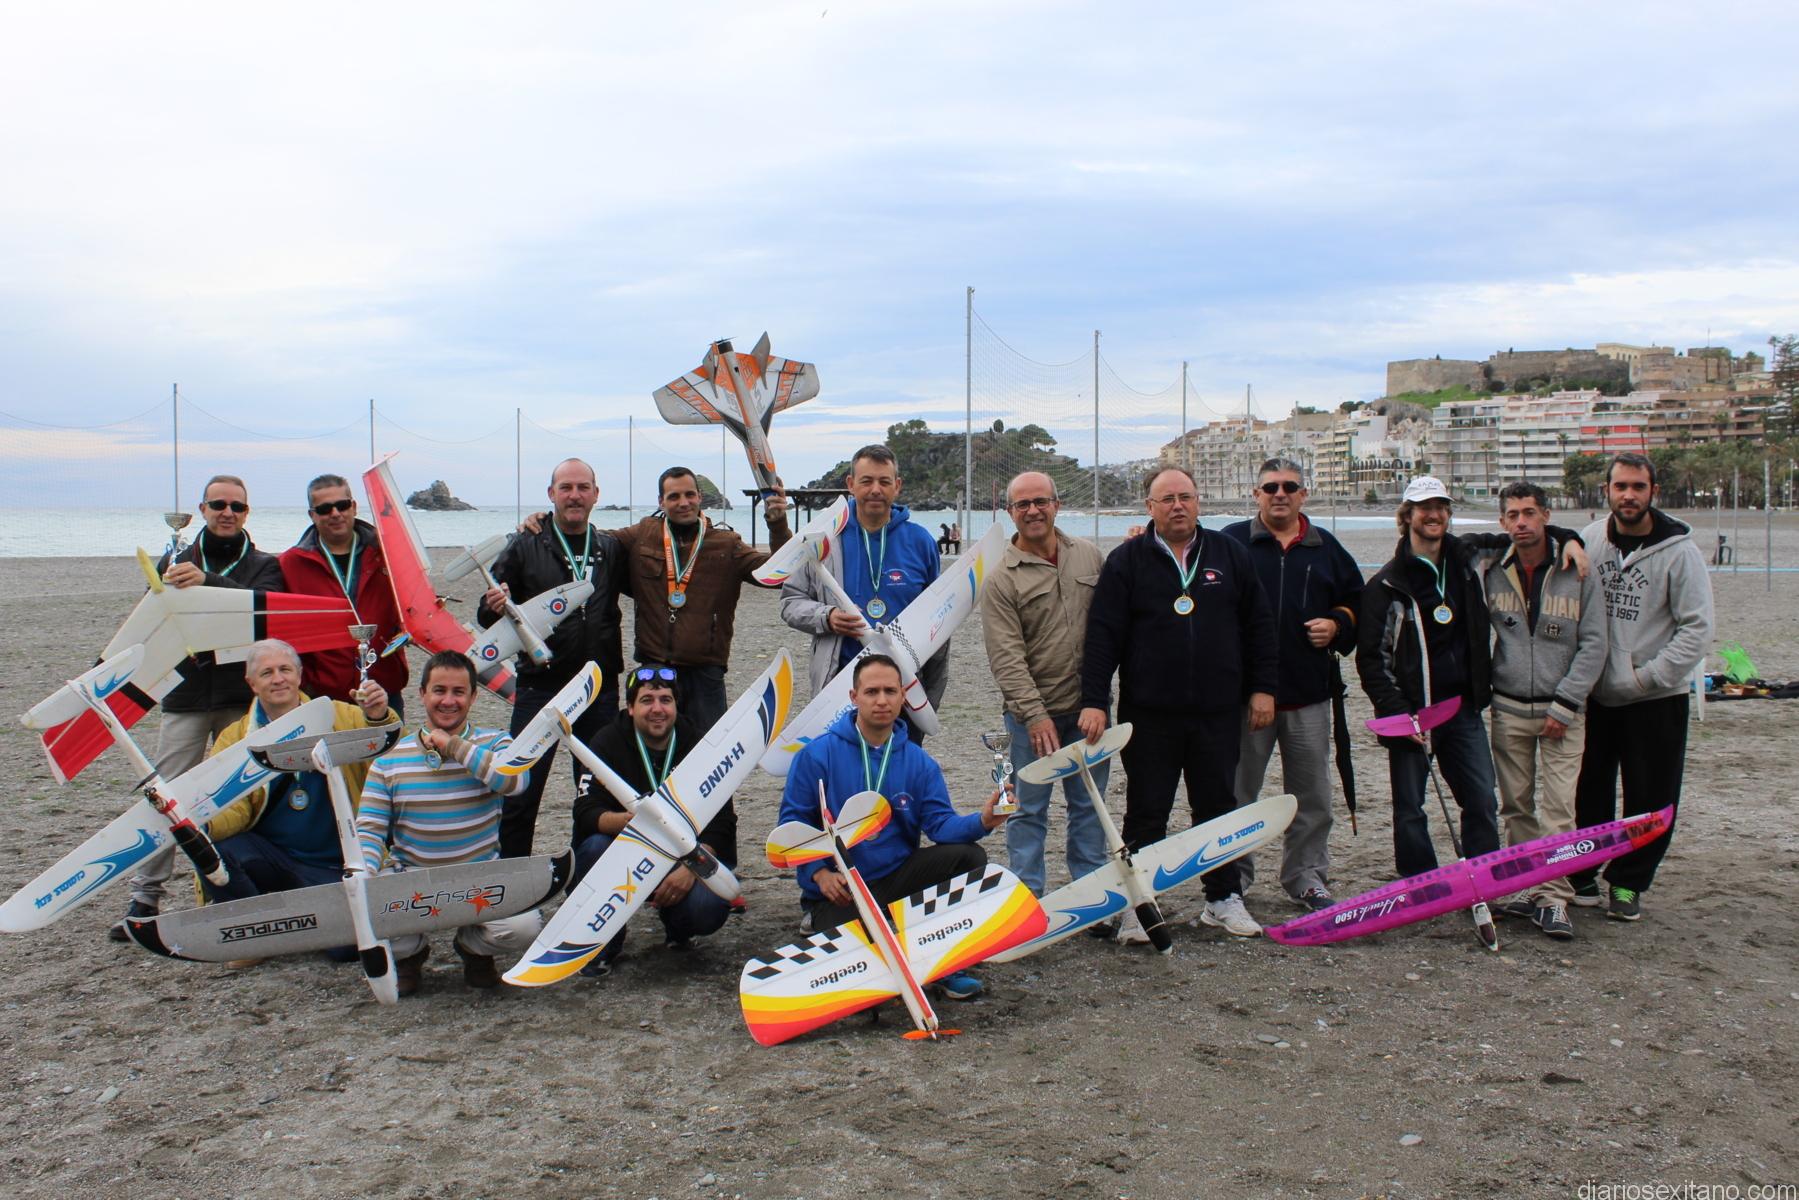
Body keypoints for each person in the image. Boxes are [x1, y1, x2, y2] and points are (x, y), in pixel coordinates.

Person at [1079, 466, 1277, 940]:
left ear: (1198, 501)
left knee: (1217, 807)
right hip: (1150, 713)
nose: (1177, 506)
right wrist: (1095, 700)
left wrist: (1263, 688)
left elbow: (1259, 626)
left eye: (1185, 497)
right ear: (1150, 507)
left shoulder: (1229, 554)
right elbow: (1103, 636)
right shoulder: (1127, 561)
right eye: (1166, 499)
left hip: (1218, 710)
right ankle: (1139, 904)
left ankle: (1222, 898)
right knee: (1147, 810)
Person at [1356, 476, 1586, 882]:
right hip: (1411, 715)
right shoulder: (1386, 584)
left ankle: (1484, 878)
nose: (1433, 515)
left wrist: (1570, 539)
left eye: (1440, 507)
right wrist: (1398, 712)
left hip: (1462, 709)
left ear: (1448, 513)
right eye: (1423, 508)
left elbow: (1528, 533)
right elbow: (1372, 660)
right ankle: (1420, 883)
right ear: (1407, 516)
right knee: (1410, 808)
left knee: (1481, 799)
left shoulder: (1468, 556)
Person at [111, 473, 285, 941]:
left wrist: (208, 582)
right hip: (184, 698)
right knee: (164, 795)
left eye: (236, 506)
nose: (227, 513)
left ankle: (250, 886)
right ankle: (146, 896)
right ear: (202, 509)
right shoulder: (175, 559)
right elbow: (150, 619)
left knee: (247, 792)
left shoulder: (266, 565)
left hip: (241, 698)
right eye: (218, 504)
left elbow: (260, 613)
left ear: (247, 513)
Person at [777, 654, 1009, 1000]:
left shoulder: (919, 762)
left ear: (903, 697)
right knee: (863, 967)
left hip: (896, 879)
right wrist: (818, 874)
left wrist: (983, 820)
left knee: (969, 856)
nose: (882, 700)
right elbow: (792, 824)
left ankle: (943, 961)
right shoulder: (816, 755)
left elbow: (940, 825)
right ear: (854, 697)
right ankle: (857, 933)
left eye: (890, 691)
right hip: (842, 889)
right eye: (872, 692)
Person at [1569, 453, 1714, 922]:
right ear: (1606, 491)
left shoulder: (1680, 552)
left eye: (1638, 486)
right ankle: (1583, 873)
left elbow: (1697, 629)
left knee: (1650, 796)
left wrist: (1645, 677)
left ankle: (1629, 883)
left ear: (1653, 491)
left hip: (1654, 697)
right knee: (1588, 790)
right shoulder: (1591, 539)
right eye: (1620, 486)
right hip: (1595, 695)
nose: (1628, 495)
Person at [1222, 458, 1364, 912]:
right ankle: (1233, 879)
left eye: (1289, 487)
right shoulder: (1231, 543)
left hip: (1308, 695)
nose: (1279, 494)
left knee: (1313, 796)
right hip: (1245, 697)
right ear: (1256, 494)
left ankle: (1306, 876)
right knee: (1238, 796)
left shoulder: (1325, 547)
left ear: (1304, 494)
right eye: (1270, 487)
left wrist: (1338, 623)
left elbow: (1358, 601)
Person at [356, 651, 542, 996]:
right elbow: (369, 828)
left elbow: (516, 782)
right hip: (412, 879)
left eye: (459, 692)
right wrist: (364, 874)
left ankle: (473, 949)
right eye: (439, 690)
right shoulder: (390, 759)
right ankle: (410, 954)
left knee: (524, 927)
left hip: (479, 879)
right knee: (361, 913)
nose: (448, 701)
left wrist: (454, 746)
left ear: (473, 697)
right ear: (422, 693)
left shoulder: (495, 742)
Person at [480, 458, 630, 857]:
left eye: (583, 488)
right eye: (566, 488)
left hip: (598, 688)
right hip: (539, 688)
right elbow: (487, 614)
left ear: (596, 495)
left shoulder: (611, 548)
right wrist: (492, 605)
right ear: (551, 494)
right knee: (521, 789)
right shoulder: (523, 545)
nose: (574, 496)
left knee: (595, 792)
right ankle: (513, 876)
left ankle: (586, 872)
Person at [1483, 483, 1608, 940]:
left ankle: (1554, 897)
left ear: (1546, 517)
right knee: (1516, 807)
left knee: (1559, 809)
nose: (1522, 522)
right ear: (1502, 522)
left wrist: (1567, 702)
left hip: (1564, 711)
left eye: (1530, 513)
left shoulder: (1578, 570)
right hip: (1509, 706)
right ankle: (1526, 885)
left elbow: (1594, 644)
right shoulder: (1491, 570)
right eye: (1513, 514)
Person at [980, 471, 1109, 898]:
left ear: (1056, 505)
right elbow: (1006, 658)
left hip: (1089, 711)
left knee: (1089, 805)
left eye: (1041, 502)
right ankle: (1027, 895)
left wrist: (1098, 700)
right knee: (1025, 808)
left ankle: (1090, 892)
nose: (1033, 511)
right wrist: (1035, 716)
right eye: (1023, 504)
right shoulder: (1002, 579)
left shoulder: (1089, 557)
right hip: (1028, 721)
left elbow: (1111, 626)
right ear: (1010, 512)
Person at [201, 640, 396, 914]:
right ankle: (254, 924)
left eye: (285, 670)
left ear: (300, 675)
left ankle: (311, 910)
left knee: (342, 938)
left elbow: (394, 764)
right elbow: (234, 806)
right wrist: (204, 825)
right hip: (274, 859)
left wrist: (379, 717)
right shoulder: (234, 738)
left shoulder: (342, 716)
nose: (278, 679)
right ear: (251, 683)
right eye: (267, 673)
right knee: (214, 850)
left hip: (337, 862)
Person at [568, 666, 735, 976]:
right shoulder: (606, 741)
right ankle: (603, 942)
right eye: (647, 700)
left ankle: (678, 927)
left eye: (665, 700)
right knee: (592, 848)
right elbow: (586, 811)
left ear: (676, 705)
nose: (657, 709)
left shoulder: (698, 744)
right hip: (624, 851)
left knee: (707, 909)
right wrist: (631, 822)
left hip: (680, 854)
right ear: (630, 707)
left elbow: (723, 819)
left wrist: (692, 869)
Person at [602, 467, 790, 730]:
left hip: (705, 673)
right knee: (654, 747)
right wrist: (548, 526)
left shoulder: (727, 544)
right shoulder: (642, 534)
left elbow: (778, 575)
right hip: (654, 669)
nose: (684, 503)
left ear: (700, 497)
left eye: (690, 494)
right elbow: (598, 542)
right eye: (674, 496)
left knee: (707, 749)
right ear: (661, 502)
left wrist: (778, 525)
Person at [779, 444, 946, 736]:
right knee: (841, 764)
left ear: (897, 486)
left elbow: (940, 621)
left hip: (903, 689)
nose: (875, 490)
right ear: (850, 484)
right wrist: (826, 617)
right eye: (866, 481)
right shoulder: (824, 540)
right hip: (839, 688)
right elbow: (791, 601)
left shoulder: (921, 542)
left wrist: (929, 695)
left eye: (884, 481)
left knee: (900, 764)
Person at [278, 473, 408, 713]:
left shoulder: (387, 553)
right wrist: (306, 682)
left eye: (342, 505)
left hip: (383, 687)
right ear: (312, 515)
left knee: (390, 740)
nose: (335, 513)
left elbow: (413, 605)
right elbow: (281, 630)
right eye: (325, 509)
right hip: (323, 693)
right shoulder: (290, 564)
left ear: (354, 507)